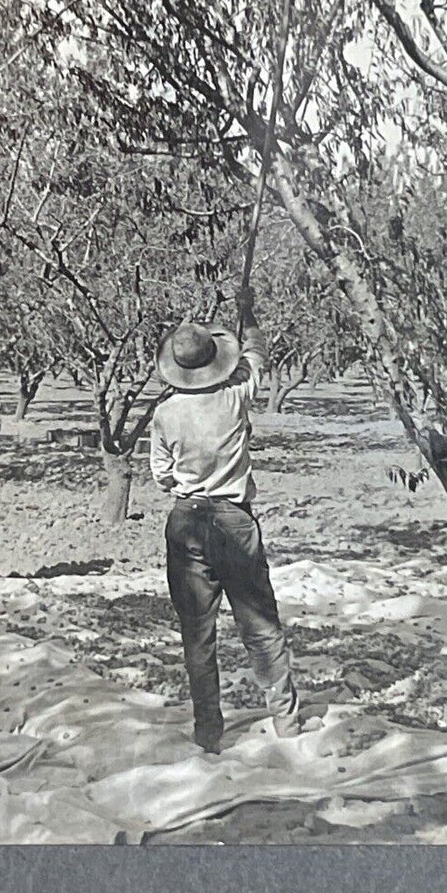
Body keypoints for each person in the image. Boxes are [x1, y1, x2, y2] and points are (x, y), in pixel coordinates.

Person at [149, 287, 310, 753]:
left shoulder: (164, 413)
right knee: (259, 623)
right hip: (234, 519)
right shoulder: (236, 395)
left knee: (197, 633)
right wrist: (249, 313)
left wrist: (184, 480)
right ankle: (287, 719)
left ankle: (208, 731)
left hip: (186, 520)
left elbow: (161, 474)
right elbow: (258, 354)